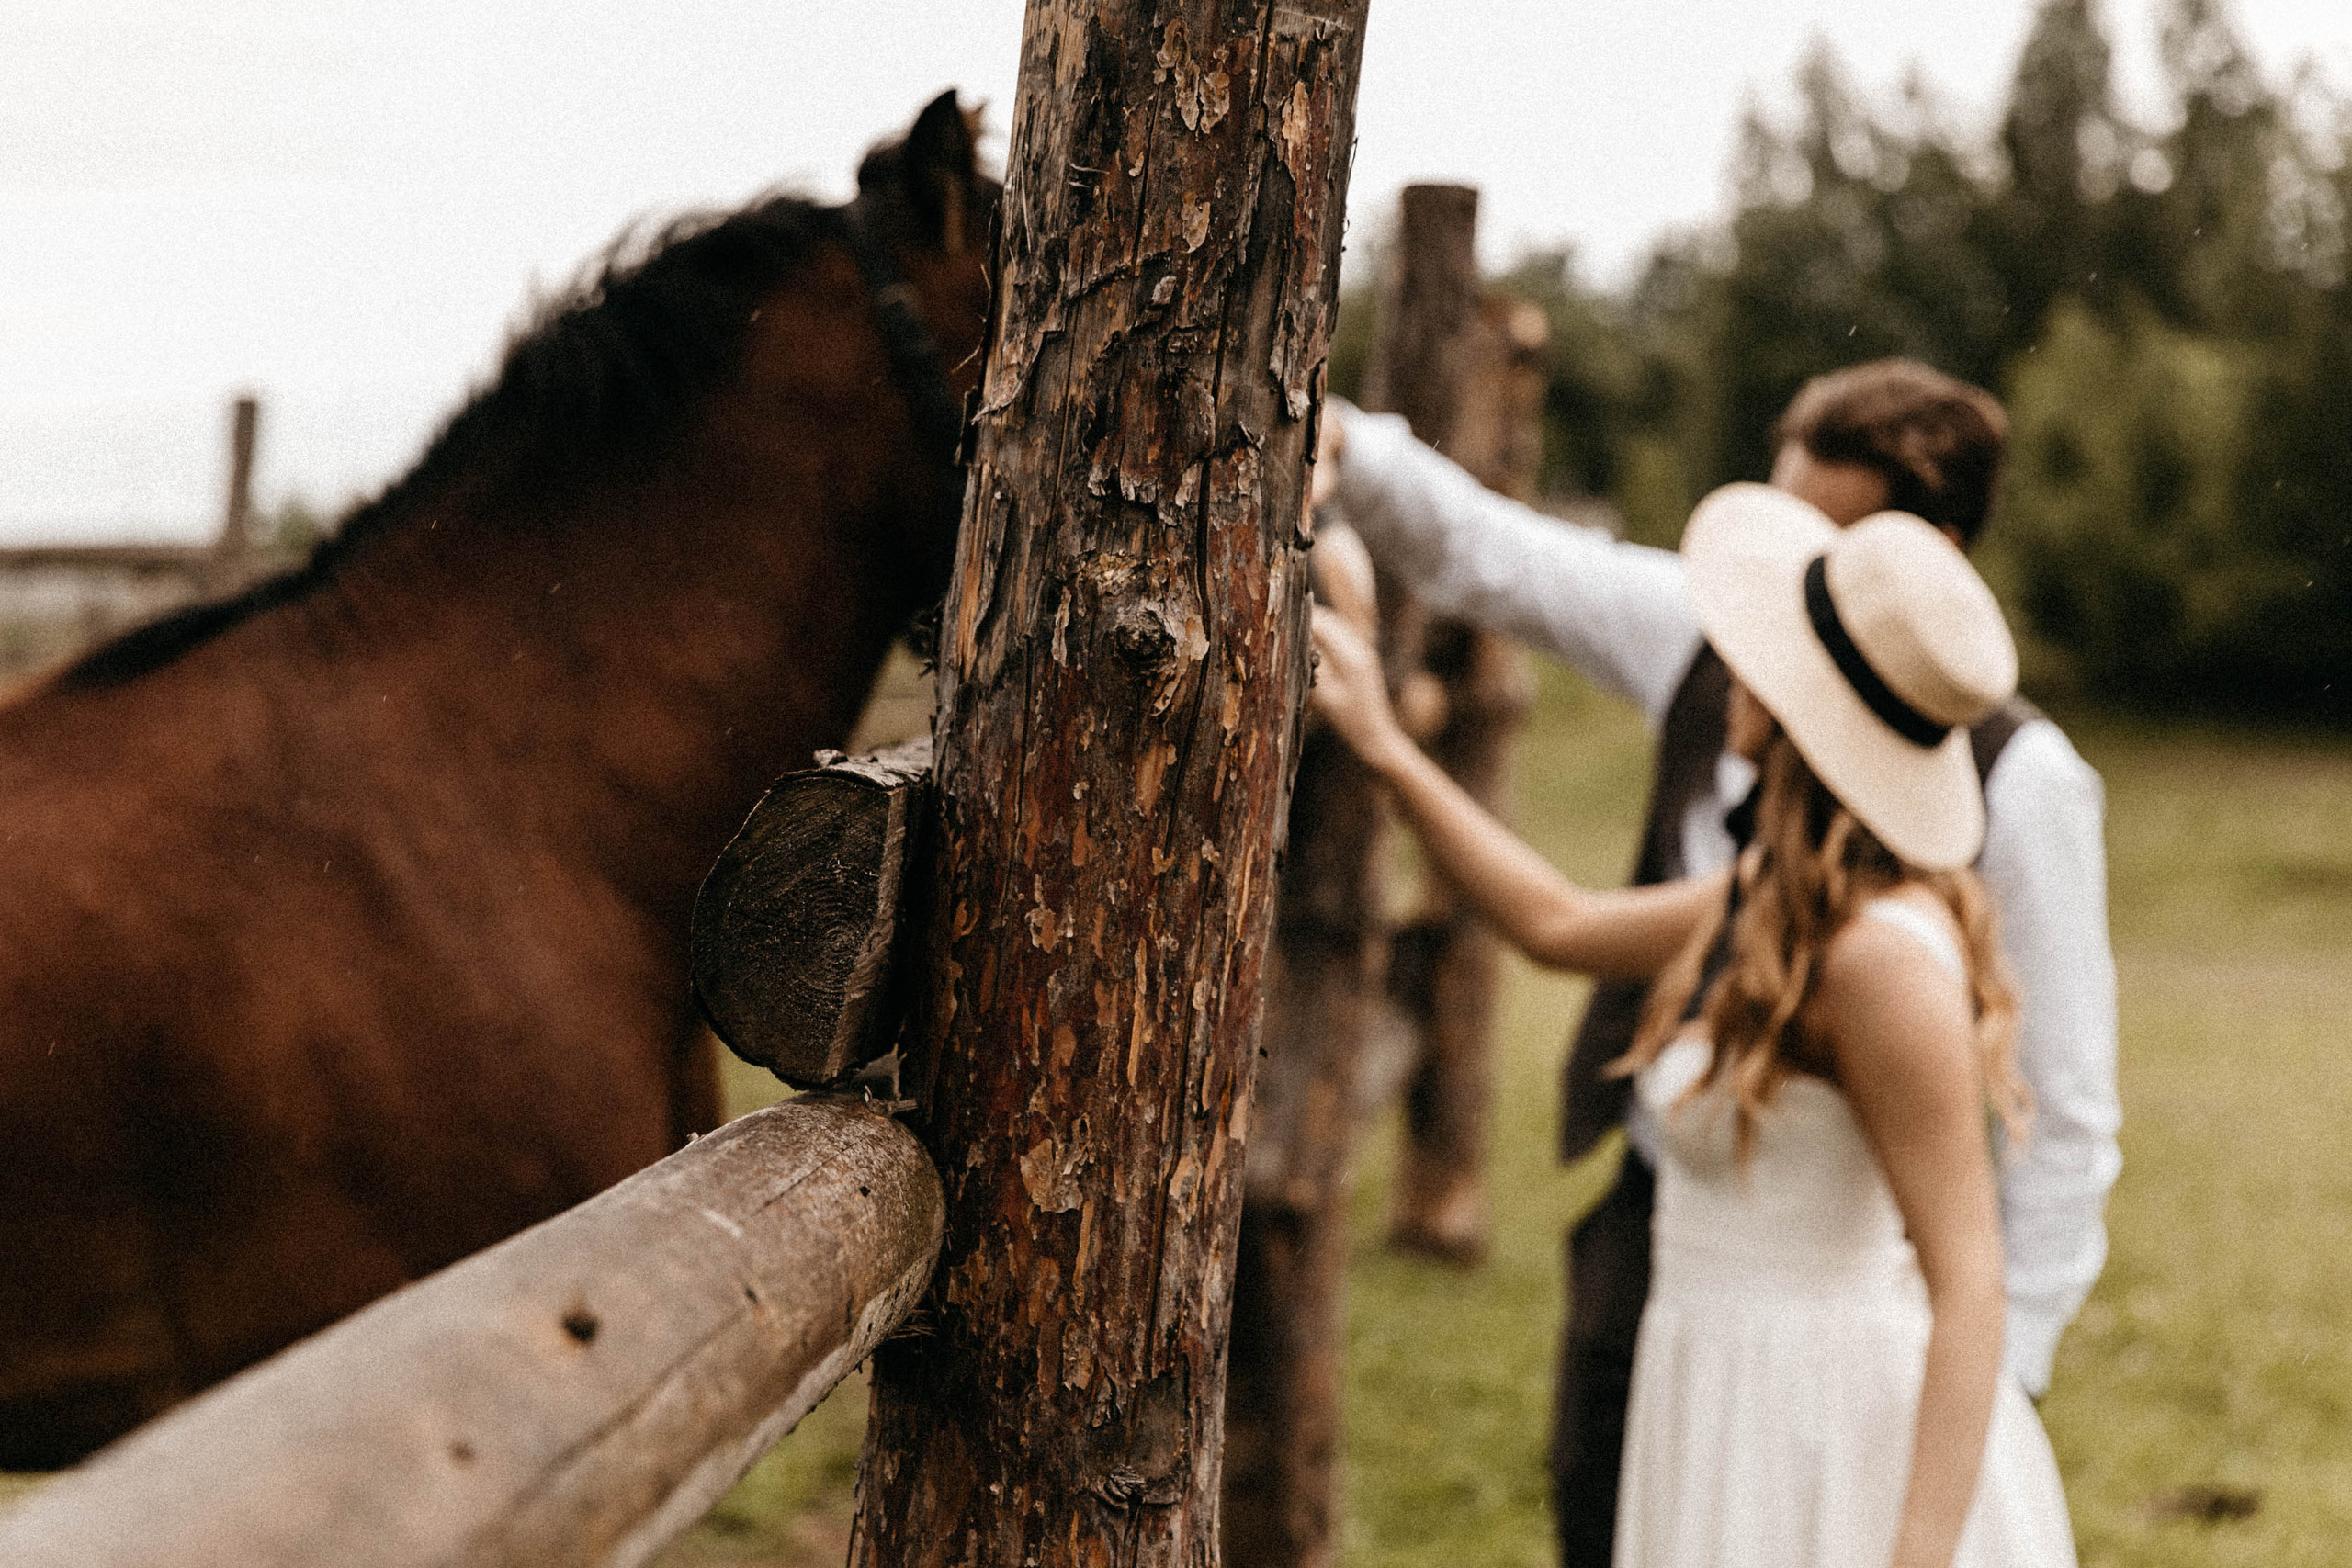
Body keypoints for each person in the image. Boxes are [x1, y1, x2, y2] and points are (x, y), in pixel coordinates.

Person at [1316, 361, 2118, 1563]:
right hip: (1710, 1371)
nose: (1721, 648)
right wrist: (1385, 745)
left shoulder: (1882, 953)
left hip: (1821, 1417)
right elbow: (1561, 926)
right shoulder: (1775, 893)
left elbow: (1974, 1272)